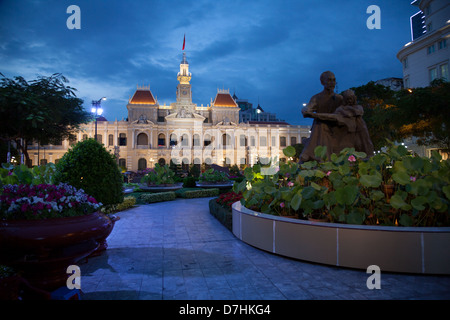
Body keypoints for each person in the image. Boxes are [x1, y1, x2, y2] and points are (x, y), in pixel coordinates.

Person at [299, 71, 344, 162]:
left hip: (336, 127)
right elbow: (309, 107)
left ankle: (309, 153)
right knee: (320, 124)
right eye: (329, 80)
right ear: (322, 82)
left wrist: (315, 115)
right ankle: (317, 155)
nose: (332, 83)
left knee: (321, 123)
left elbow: (341, 116)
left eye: (334, 80)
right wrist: (306, 109)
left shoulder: (339, 99)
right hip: (320, 128)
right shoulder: (317, 98)